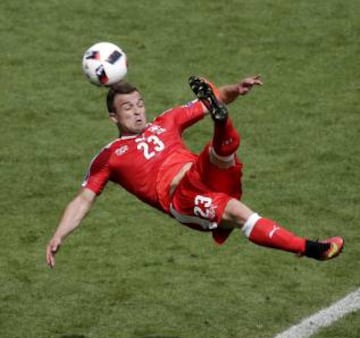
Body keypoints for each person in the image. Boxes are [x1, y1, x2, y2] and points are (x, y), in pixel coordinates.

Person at [46, 75, 344, 268]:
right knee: (241, 213)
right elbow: (83, 200)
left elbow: (216, 95)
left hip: (203, 175)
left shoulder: (167, 121)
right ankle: (312, 248)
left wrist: (235, 89)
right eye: (128, 108)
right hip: (182, 197)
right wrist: (59, 234)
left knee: (223, 149)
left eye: (139, 104)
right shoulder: (110, 156)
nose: (137, 111)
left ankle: (220, 120)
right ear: (114, 117)